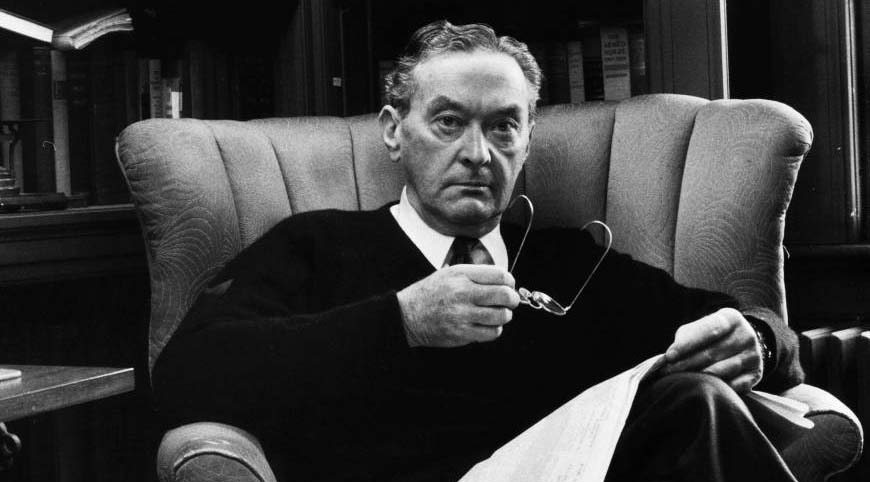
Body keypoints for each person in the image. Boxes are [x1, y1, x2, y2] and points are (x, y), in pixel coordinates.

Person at [153, 20, 805, 482]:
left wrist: (757, 339)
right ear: (393, 132)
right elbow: (187, 375)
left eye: (502, 127)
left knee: (697, 399)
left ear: (527, 142)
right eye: (448, 122)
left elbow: (738, 324)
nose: (476, 153)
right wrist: (401, 322)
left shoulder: (569, 264)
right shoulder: (317, 248)